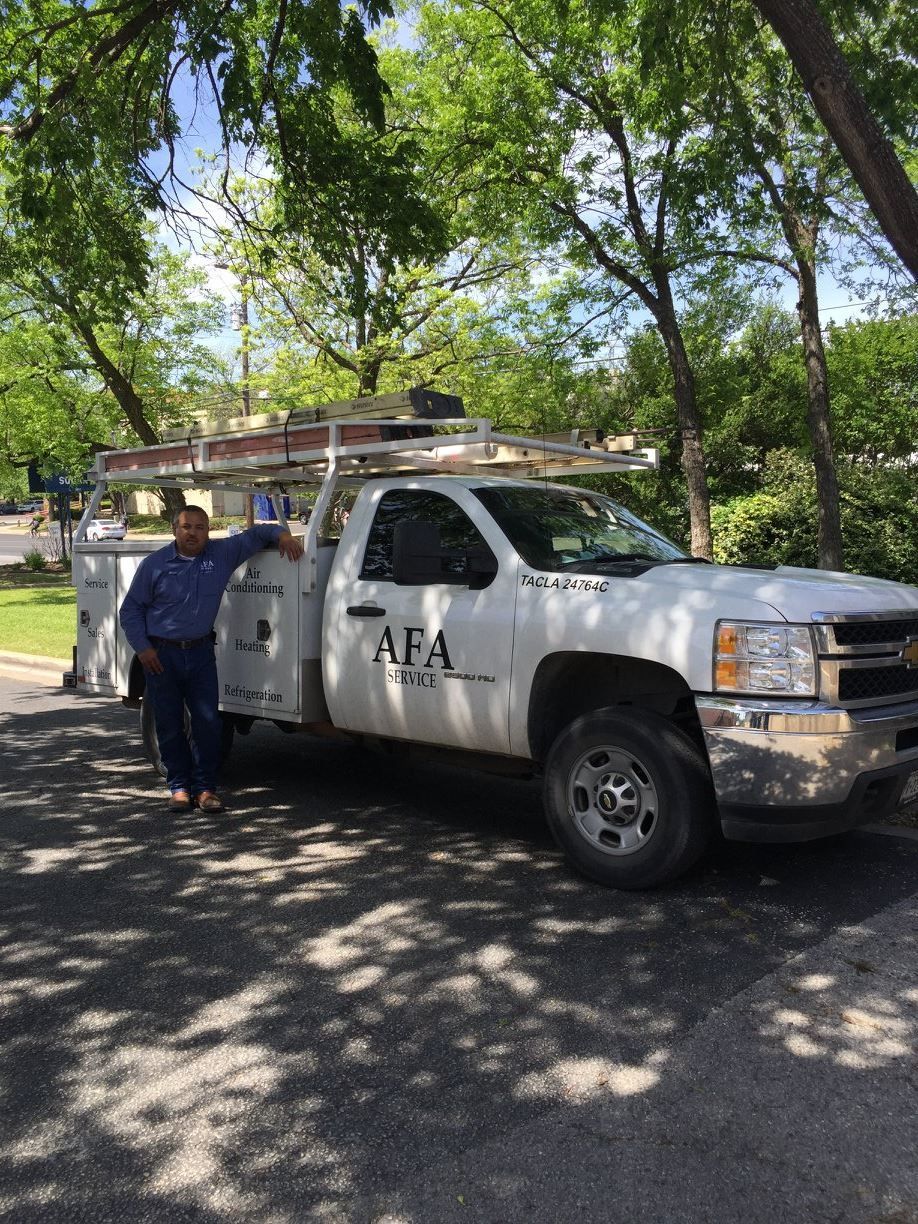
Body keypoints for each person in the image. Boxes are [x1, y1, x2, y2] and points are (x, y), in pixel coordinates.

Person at [119, 505, 304, 813]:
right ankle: (178, 787)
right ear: (175, 530)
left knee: (208, 724)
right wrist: (143, 648)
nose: (193, 533)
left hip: (200, 653)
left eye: (200, 527)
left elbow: (258, 533)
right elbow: (131, 610)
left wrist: (283, 535)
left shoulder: (221, 554)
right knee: (169, 723)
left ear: (208, 531)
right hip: (161, 655)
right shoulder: (154, 565)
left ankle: (205, 789)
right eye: (186, 526)